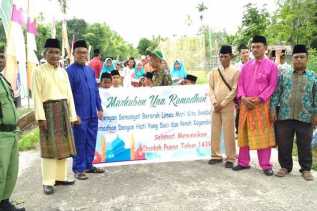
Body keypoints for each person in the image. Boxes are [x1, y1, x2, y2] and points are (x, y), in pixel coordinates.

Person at [32, 38, 79, 195]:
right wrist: (40, 117)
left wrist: (73, 115)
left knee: (63, 146)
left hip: (63, 109)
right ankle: (47, 181)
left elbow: (69, 95)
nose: (54, 55)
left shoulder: (63, 72)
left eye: (57, 52)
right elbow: (37, 96)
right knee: (50, 148)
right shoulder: (38, 71)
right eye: (51, 52)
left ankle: (60, 178)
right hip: (48, 111)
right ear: (45, 54)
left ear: (61, 54)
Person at [233, 35, 278, 176]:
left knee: (262, 134)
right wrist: (243, 98)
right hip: (246, 105)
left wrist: (260, 99)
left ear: (265, 48)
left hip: (261, 106)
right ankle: (243, 162)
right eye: (253, 47)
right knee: (244, 133)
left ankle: (265, 165)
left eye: (258, 46)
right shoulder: (246, 66)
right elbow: (240, 85)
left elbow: (272, 86)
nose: (255, 49)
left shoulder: (272, 66)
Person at [271, 45, 317, 181]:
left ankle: (306, 168)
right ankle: (285, 166)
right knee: (284, 143)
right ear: (292, 59)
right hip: (285, 115)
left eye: (302, 57)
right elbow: (276, 93)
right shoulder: (284, 75)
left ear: (306, 59)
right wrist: (273, 109)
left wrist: (315, 114)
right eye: (296, 57)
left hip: (305, 116)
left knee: (305, 143)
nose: (299, 60)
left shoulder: (313, 77)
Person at [66, 40, 104, 180]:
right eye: (79, 53)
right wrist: (73, 114)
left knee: (91, 140)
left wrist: (99, 108)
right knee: (79, 142)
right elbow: (68, 95)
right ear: (74, 54)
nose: (82, 55)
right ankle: (78, 169)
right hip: (79, 115)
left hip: (92, 113)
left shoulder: (90, 70)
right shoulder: (69, 72)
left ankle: (88, 165)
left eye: (85, 53)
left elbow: (95, 90)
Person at [0, 48, 25, 211]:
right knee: (0, 171)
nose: (1, 60)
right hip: (1, 135)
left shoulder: (3, 79)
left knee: (11, 170)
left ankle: (4, 202)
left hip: (11, 133)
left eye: (2, 57)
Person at [208, 45, 239, 168]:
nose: (223, 59)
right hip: (215, 106)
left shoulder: (236, 71)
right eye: (221, 56)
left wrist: (223, 103)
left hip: (228, 106)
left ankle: (230, 158)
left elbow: (235, 90)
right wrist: (215, 102)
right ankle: (215, 155)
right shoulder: (213, 72)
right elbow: (210, 88)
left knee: (228, 132)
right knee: (215, 131)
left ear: (230, 57)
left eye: (225, 56)